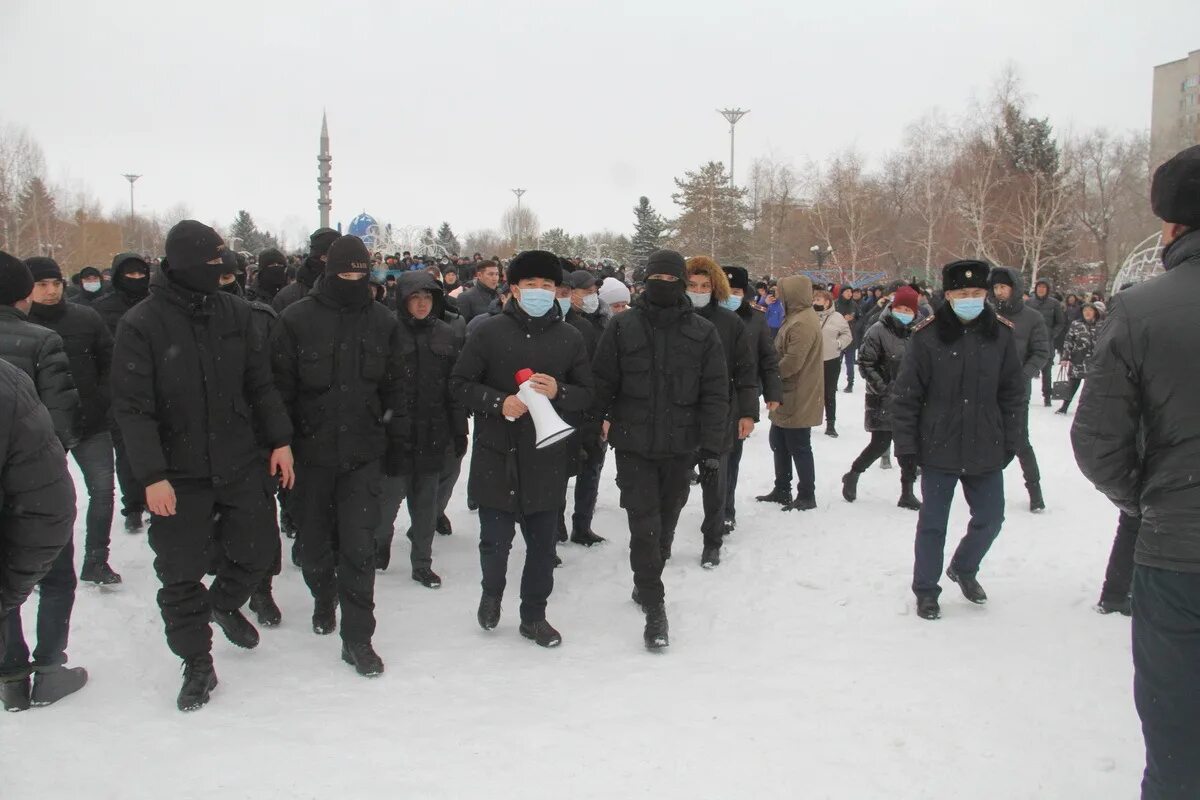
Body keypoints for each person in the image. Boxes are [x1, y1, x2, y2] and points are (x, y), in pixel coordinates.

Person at [112, 221, 295, 711]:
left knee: (258, 552)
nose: (221, 273)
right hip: (177, 472)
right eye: (212, 265)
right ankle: (197, 664)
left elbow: (260, 384)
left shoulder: (235, 312)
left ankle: (223, 602)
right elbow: (132, 409)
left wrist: (279, 440)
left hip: (238, 458)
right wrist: (151, 476)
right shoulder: (142, 324)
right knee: (180, 573)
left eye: (223, 264)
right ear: (184, 266)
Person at [1072, 144, 1200, 799]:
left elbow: (1098, 442)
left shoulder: (1142, 310)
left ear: (1172, 227)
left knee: (1178, 744)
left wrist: (1147, 501)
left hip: (1178, 556)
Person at [272, 235, 405, 675]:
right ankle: (322, 595)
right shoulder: (296, 319)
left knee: (358, 547)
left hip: (363, 455)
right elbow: (278, 392)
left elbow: (394, 390)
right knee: (312, 547)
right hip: (310, 457)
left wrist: (393, 445)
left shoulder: (383, 322)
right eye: (345, 274)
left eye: (360, 275)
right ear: (329, 273)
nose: (353, 281)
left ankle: (358, 638)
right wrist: (281, 445)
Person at [449, 250, 594, 649]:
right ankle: (491, 593)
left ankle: (534, 615)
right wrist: (499, 403)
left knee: (543, 547)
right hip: (497, 452)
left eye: (548, 286)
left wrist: (560, 390)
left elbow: (588, 394)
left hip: (545, 457)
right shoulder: (489, 331)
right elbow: (459, 384)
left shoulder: (570, 337)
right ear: (514, 289)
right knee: (495, 542)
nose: (540, 292)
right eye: (531, 285)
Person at [591, 249, 727, 649]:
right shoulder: (622, 327)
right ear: (644, 282)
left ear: (681, 284)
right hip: (633, 446)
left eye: (671, 280)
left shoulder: (703, 332)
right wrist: (592, 430)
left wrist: (711, 449)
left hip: (680, 448)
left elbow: (716, 394)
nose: (663, 287)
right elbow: (602, 383)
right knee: (643, 525)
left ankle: (648, 576)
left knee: (665, 523)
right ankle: (654, 604)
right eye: (656, 280)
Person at [891, 260, 1025, 621]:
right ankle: (926, 590)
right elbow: (905, 397)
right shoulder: (927, 336)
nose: (971, 299)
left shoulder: (1000, 334)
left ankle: (965, 567)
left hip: (986, 444)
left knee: (991, 518)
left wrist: (1011, 439)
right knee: (933, 523)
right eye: (962, 294)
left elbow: (1013, 393)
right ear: (948, 296)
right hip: (938, 445)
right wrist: (905, 446)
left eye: (977, 293)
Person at [0, 258, 84, 713]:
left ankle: (11, 673)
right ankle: (49, 666)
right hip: (35, 476)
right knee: (54, 572)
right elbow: (60, 419)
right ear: (25, 294)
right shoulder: (41, 339)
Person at [26, 257, 121, 584]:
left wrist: (101, 400)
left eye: (55, 283)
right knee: (47, 500)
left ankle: (96, 559)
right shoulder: (19, 325)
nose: (51, 291)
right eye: (42, 285)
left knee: (103, 491)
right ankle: (47, 568)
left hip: (90, 423)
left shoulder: (86, 317)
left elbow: (111, 361)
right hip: (41, 430)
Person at [373, 271, 464, 587]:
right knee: (386, 503)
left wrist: (459, 430)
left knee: (426, 506)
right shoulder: (386, 331)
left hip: (433, 433)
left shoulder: (447, 334)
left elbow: (455, 388)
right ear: (404, 300)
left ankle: (421, 563)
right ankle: (379, 545)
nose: (423, 304)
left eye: (428, 298)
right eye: (416, 298)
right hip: (393, 434)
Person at [683, 257, 757, 567]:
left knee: (716, 480)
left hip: (719, 411)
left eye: (705, 286)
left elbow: (745, 370)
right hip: (680, 413)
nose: (698, 291)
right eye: (692, 286)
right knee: (675, 482)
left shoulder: (730, 323)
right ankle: (661, 538)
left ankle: (712, 540)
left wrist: (747, 412)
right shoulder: (673, 319)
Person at [841, 285, 921, 510]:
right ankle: (854, 473)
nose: (904, 312)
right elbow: (866, 364)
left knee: (908, 447)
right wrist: (885, 388)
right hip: (883, 398)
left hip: (910, 400)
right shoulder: (878, 329)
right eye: (901, 307)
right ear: (893, 307)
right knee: (880, 443)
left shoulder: (918, 332)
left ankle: (907, 492)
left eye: (909, 309)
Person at [92, 252, 151, 533]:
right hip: (120, 390)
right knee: (127, 453)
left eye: (141, 274)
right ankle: (133, 505)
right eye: (130, 274)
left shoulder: (155, 304)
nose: (136, 279)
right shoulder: (102, 309)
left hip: (156, 386)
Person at [721, 266, 781, 532]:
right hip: (705, 397)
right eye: (726, 290)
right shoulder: (705, 315)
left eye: (735, 291)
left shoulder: (756, 319)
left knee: (731, 457)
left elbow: (767, 359)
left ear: (744, 293)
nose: (730, 296)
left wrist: (773, 392)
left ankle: (725, 509)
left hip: (740, 395)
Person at [988, 267, 1053, 512]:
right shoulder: (988, 315)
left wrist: (1022, 376)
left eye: (1003, 287)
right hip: (988, 389)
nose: (999, 291)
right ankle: (987, 490)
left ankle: (1035, 492)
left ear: (1014, 288)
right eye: (995, 287)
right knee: (988, 439)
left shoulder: (1033, 317)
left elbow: (1041, 352)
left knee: (1019, 441)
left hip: (1016, 392)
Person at [757, 276, 823, 511]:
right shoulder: (796, 317)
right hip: (788, 392)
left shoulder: (802, 322)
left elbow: (793, 362)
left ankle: (806, 494)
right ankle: (782, 488)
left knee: (798, 445)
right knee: (779, 442)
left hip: (797, 393)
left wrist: (770, 375)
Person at [561, 270, 609, 547]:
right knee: (558, 472)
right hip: (564, 408)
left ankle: (582, 525)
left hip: (592, 409)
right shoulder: (559, 326)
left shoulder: (598, 325)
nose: (592, 297)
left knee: (591, 469)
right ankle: (554, 526)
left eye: (594, 292)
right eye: (586, 291)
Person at [272, 227, 338, 312]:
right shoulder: (288, 297)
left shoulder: (352, 294)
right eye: (325, 258)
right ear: (313, 258)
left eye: (335, 259)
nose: (330, 263)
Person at [814, 289, 852, 437]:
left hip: (831, 360)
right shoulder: (809, 315)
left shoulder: (837, 317)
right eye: (814, 300)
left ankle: (830, 424)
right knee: (810, 393)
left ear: (827, 302)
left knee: (829, 393)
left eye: (818, 300)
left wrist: (838, 344)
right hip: (811, 361)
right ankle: (808, 421)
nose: (815, 302)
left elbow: (847, 335)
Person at [1056, 303, 1103, 414]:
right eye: (1085, 310)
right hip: (1077, 360)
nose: (1087, 312)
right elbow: (1068, 341)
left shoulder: (1102, 325)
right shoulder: (1076, 324)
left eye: (1090, 310)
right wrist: (1065, 357)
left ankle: (1086, 409)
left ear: (1095, 312)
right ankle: (1064, 406)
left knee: (1090, 388)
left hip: (1094, 361)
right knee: (1072, 385)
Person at [1027, 279, 1067, 406]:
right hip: (1030, 341)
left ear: (1047, 289)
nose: (1041, 289)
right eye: (1039, 287)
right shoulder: (1028, 302)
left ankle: (1047, 396)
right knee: (1027, 369)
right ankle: (1025, 395)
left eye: (1044, 287)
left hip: (1046, 341)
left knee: (1046, 370)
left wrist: (1052, 334)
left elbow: (1061, 322)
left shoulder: (1054, 303)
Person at [835, 286, 859, 392]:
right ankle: (834, 383)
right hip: (837, 337)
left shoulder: (854, 305)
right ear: (842, 293)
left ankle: (850, 383)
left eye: (851, 291)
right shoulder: (835, 304)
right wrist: (842, 319)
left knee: (849, 363)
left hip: (850, 337)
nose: (850, 293)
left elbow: (861, 317)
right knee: (836, 362)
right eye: (847, 291)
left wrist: (853, 321)